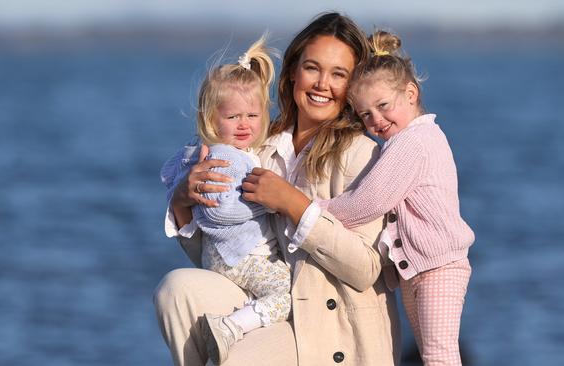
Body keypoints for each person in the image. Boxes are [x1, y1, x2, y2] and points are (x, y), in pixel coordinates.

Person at [154, 12, 401, 366]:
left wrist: (295, 205)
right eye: (312, 68)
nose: (321, 84)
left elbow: (366, 269)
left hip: (326, 328)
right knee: (175, 290)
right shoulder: (258, 144)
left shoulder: (363, 154)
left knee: (236, 359)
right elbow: (222, 256)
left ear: (353, 87)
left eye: (338, 74)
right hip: (264, 302)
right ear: (292, 72)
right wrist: (183, 202)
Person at [312, 31, 475, 365]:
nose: (376, 121)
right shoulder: (406, 140)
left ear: (411, 93)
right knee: (433, 355)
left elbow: (367, 203)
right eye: (365, 114)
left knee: (439, 356)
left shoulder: (414, 141)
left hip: (440, 266)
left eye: (383, 106)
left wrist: (309, 210)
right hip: (419, 269)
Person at [159, 35, 291, 364]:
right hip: (243, 257)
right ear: (211, 119)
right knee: (291, 293)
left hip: (224, 259)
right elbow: (221, 211)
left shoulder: (220, 153)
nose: (244, 124)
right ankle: (232, 325)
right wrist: (274, 201)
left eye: (252, 115)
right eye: (233, 118)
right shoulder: (229, 159)